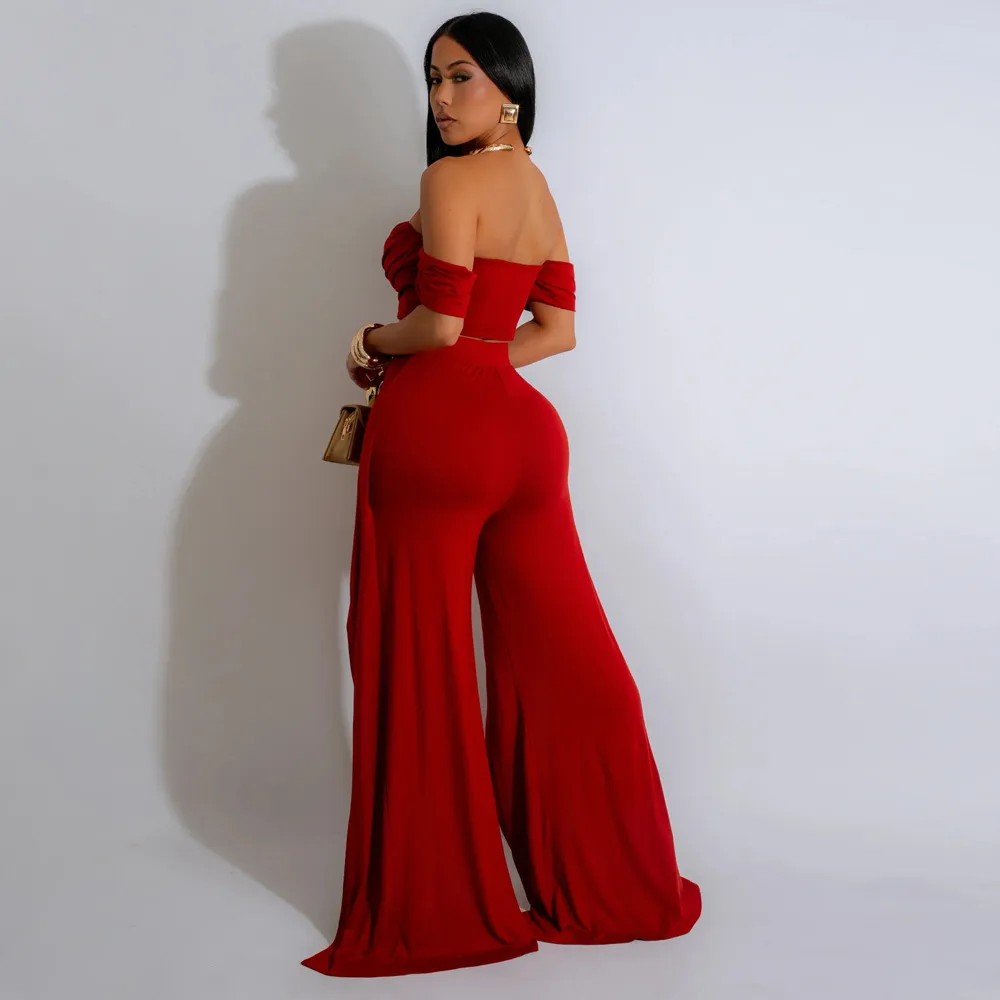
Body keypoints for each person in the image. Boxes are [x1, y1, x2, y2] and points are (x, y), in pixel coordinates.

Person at [301, 11, 702, 979]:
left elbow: (437, 326)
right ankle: (622, 880)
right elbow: (555, 330)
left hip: (435, 436)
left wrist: (367, 341)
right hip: (524, 438)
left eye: (462, 77)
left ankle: (441, 905)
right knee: (563, 654)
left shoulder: (448, 181)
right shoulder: (535, 185)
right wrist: (485, 373)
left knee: (418, 660)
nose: (442, 99)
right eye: (433, 79)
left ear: (510, 90)